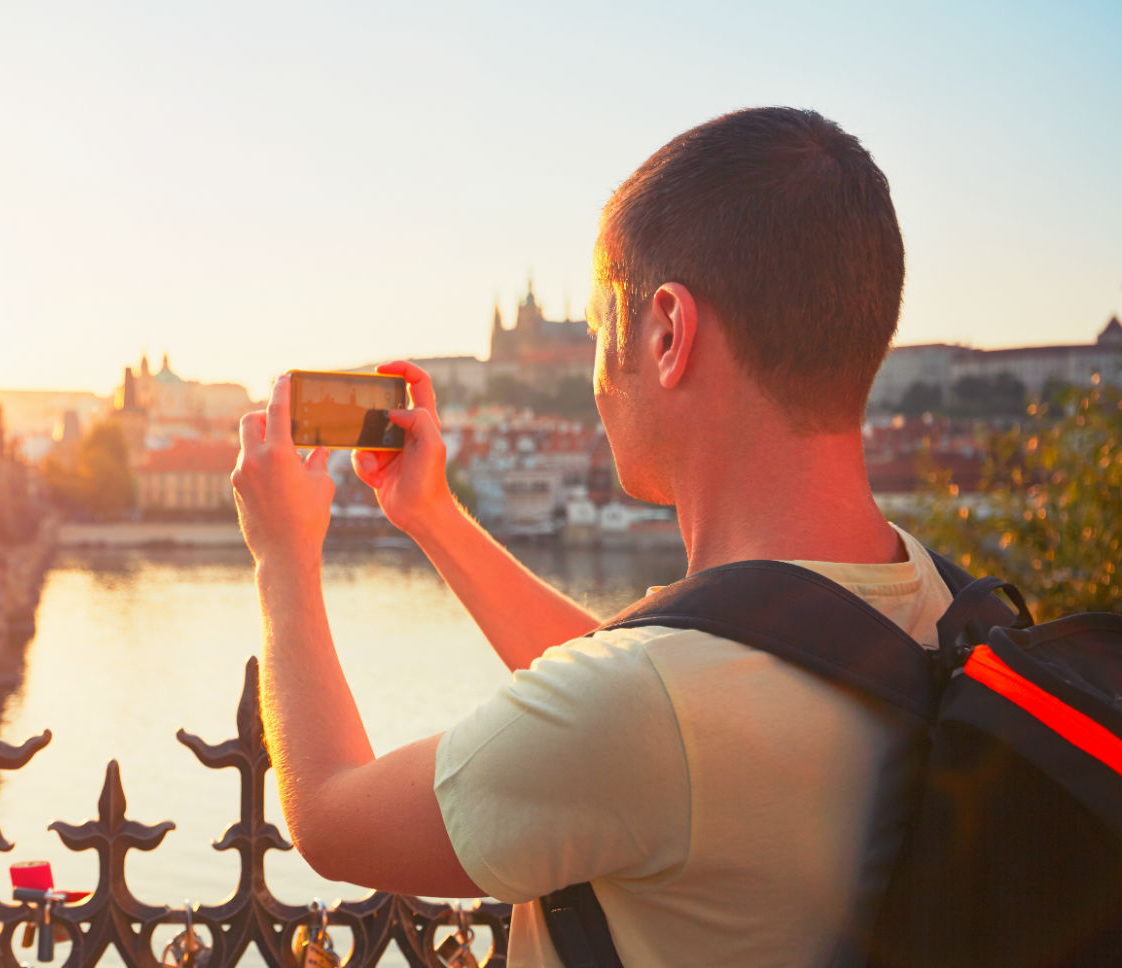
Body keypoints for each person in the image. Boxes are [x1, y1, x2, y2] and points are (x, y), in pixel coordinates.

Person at [229, 107, 945, 967]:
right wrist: (433, 516)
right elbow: (648, 685)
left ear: (669, 334)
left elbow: (336, 819)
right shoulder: (934, 602)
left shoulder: (648, 713)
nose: (597, 378)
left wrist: (282, 558)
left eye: (604, 331)